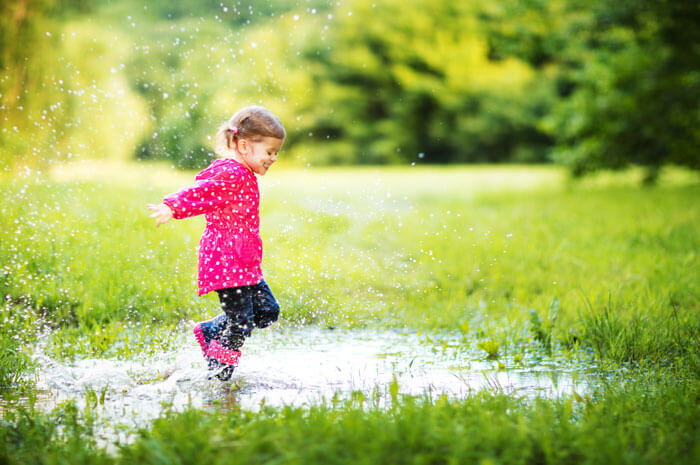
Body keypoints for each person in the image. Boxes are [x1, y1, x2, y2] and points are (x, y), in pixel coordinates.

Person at [147, 105, 285, 381]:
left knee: (267, 311)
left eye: (276, 153)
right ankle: (219, 374)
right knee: (241, 322)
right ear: (244, 146)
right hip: (225, 262)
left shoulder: (243, 173)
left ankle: (210, 331)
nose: (273, 158)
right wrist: (173, 207)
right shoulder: (231, 173)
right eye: (269, 152)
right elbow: (201, 191)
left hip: (243, 263)